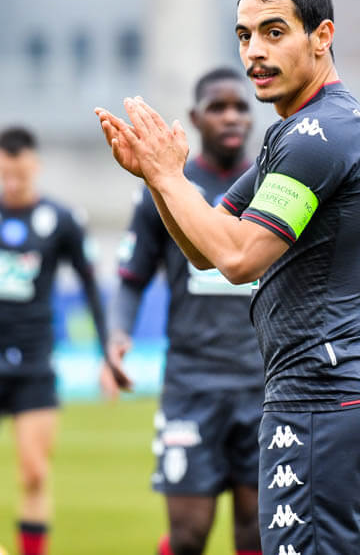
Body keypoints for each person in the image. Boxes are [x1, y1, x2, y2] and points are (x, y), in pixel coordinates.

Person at [96, 0, 360, 555]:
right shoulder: (315, 128)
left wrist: (168, 176)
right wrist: (159, 179)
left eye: (274, 32)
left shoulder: (314, 136)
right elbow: (205, 247)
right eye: (245, 35)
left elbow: (239, 257)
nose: (255, 51)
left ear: (322, 36)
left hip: (324, 397)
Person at [0, 126, 119, 555]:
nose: (12, 182)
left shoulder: (60, 219)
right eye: (5, 174)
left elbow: (91, 287)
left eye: (19, 174)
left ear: (34, 166)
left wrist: (107, 356)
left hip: (35, 361)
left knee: (35, 475)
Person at [108, 66, 264, 555]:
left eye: (240, 107)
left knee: (258, 534)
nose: (231, 117)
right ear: (194, 118)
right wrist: (117, 336)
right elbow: (132, 277)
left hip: (264, 382)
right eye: (218, 107)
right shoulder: (167, 187)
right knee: (189, 535)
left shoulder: (275, 186)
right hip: (191, 382)